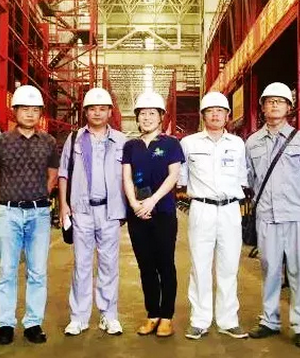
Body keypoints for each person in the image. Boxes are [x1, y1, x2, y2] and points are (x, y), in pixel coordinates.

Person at [0, 85, 59, 345]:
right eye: (24, 109)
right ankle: (5, 324)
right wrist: (6, 199)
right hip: (9, 213)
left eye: (34, 110)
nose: (29, 114)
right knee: (7, 269)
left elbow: (52, 175)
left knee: (37, 271)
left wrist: (37, 196)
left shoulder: (49, 142)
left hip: (39, 214)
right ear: (14, 111)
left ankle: (33, 323)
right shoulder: (1, 141)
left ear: (40, 114)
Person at [245, 82, 300, 348]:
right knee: (270, 269)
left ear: (289, 107)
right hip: (267, 215)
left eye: (280, 101)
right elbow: (251, 178)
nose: (274, 105)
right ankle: (269, 320)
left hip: (297, 215)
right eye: (269, 101)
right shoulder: (252, 142)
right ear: (263, 108)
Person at [178, 91, 249, 340]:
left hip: (230, 209)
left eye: (220, 111)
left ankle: (228, 321)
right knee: (200, 266)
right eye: (210, 111)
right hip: (201, 208)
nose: (215, 115)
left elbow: (242, 177)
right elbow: (182, 177)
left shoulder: (237, 144)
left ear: (227, 115)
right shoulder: (189, 143)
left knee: (229, 266)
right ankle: (199, 321)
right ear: (203, 116)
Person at [58, 87, 127, 336]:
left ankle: (109, 315)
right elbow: (64, 173)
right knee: (82, 265)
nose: (97, 113)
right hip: (82, 211)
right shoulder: (74, 139)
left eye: (102, 109)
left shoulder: (122, 141)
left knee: (109, 266)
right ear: (85, 112)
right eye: (92, 109)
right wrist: (64, 206)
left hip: (110, 211)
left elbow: (129, 176)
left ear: (110, 112)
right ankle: (79, 317)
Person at [122, 91, 185, 338]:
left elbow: (173, 176)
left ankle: (167, 316)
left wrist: (152, 200)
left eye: (152, 113)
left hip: (163, 213)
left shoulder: (171, 144)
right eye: (142, 114)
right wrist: (134, 204)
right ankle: (152, 314)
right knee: (146, 266)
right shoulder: (130, 146)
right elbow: (127, 177)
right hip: (137, 215)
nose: (147, 117)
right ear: (137, 118)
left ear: (161, 117)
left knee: (165, 264)